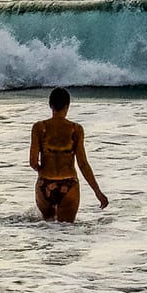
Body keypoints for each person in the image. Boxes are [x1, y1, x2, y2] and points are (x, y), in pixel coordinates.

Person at [29, 87, 108, 223]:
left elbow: (33, 162)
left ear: (50, 105)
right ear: (67, 106)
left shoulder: (39, 128)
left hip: (45, 185)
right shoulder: (75, 129)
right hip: (69, 185)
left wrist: (44, 172)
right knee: (66, 232)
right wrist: (98, 192)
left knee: (46, 230)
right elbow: (82, 164)